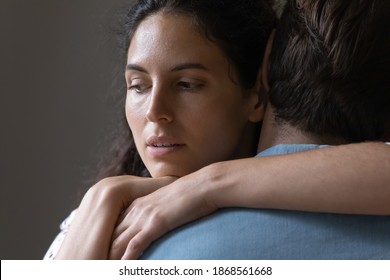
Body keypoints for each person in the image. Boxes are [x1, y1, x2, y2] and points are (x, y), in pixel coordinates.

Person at [44, 0, 390, 260]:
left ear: (258, 90)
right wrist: (102, 197)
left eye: (188, 84)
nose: (154, 112)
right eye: (138, 85)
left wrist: (206, 186)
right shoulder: (94, 225)